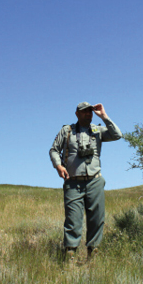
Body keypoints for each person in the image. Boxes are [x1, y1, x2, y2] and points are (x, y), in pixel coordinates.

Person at [49, 102, 122, 263]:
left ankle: (93, 254)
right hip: (73, 182)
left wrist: (104, 116)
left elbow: (117, 135)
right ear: (77, 113)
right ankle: (70, 255)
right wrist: (58, 165)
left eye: (90, 111)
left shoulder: (98, 130)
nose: (88, 114)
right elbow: (54, 149)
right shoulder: (67, 131)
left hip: (94, 181)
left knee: (96, 218)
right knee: (73, 219)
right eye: (84, 112)